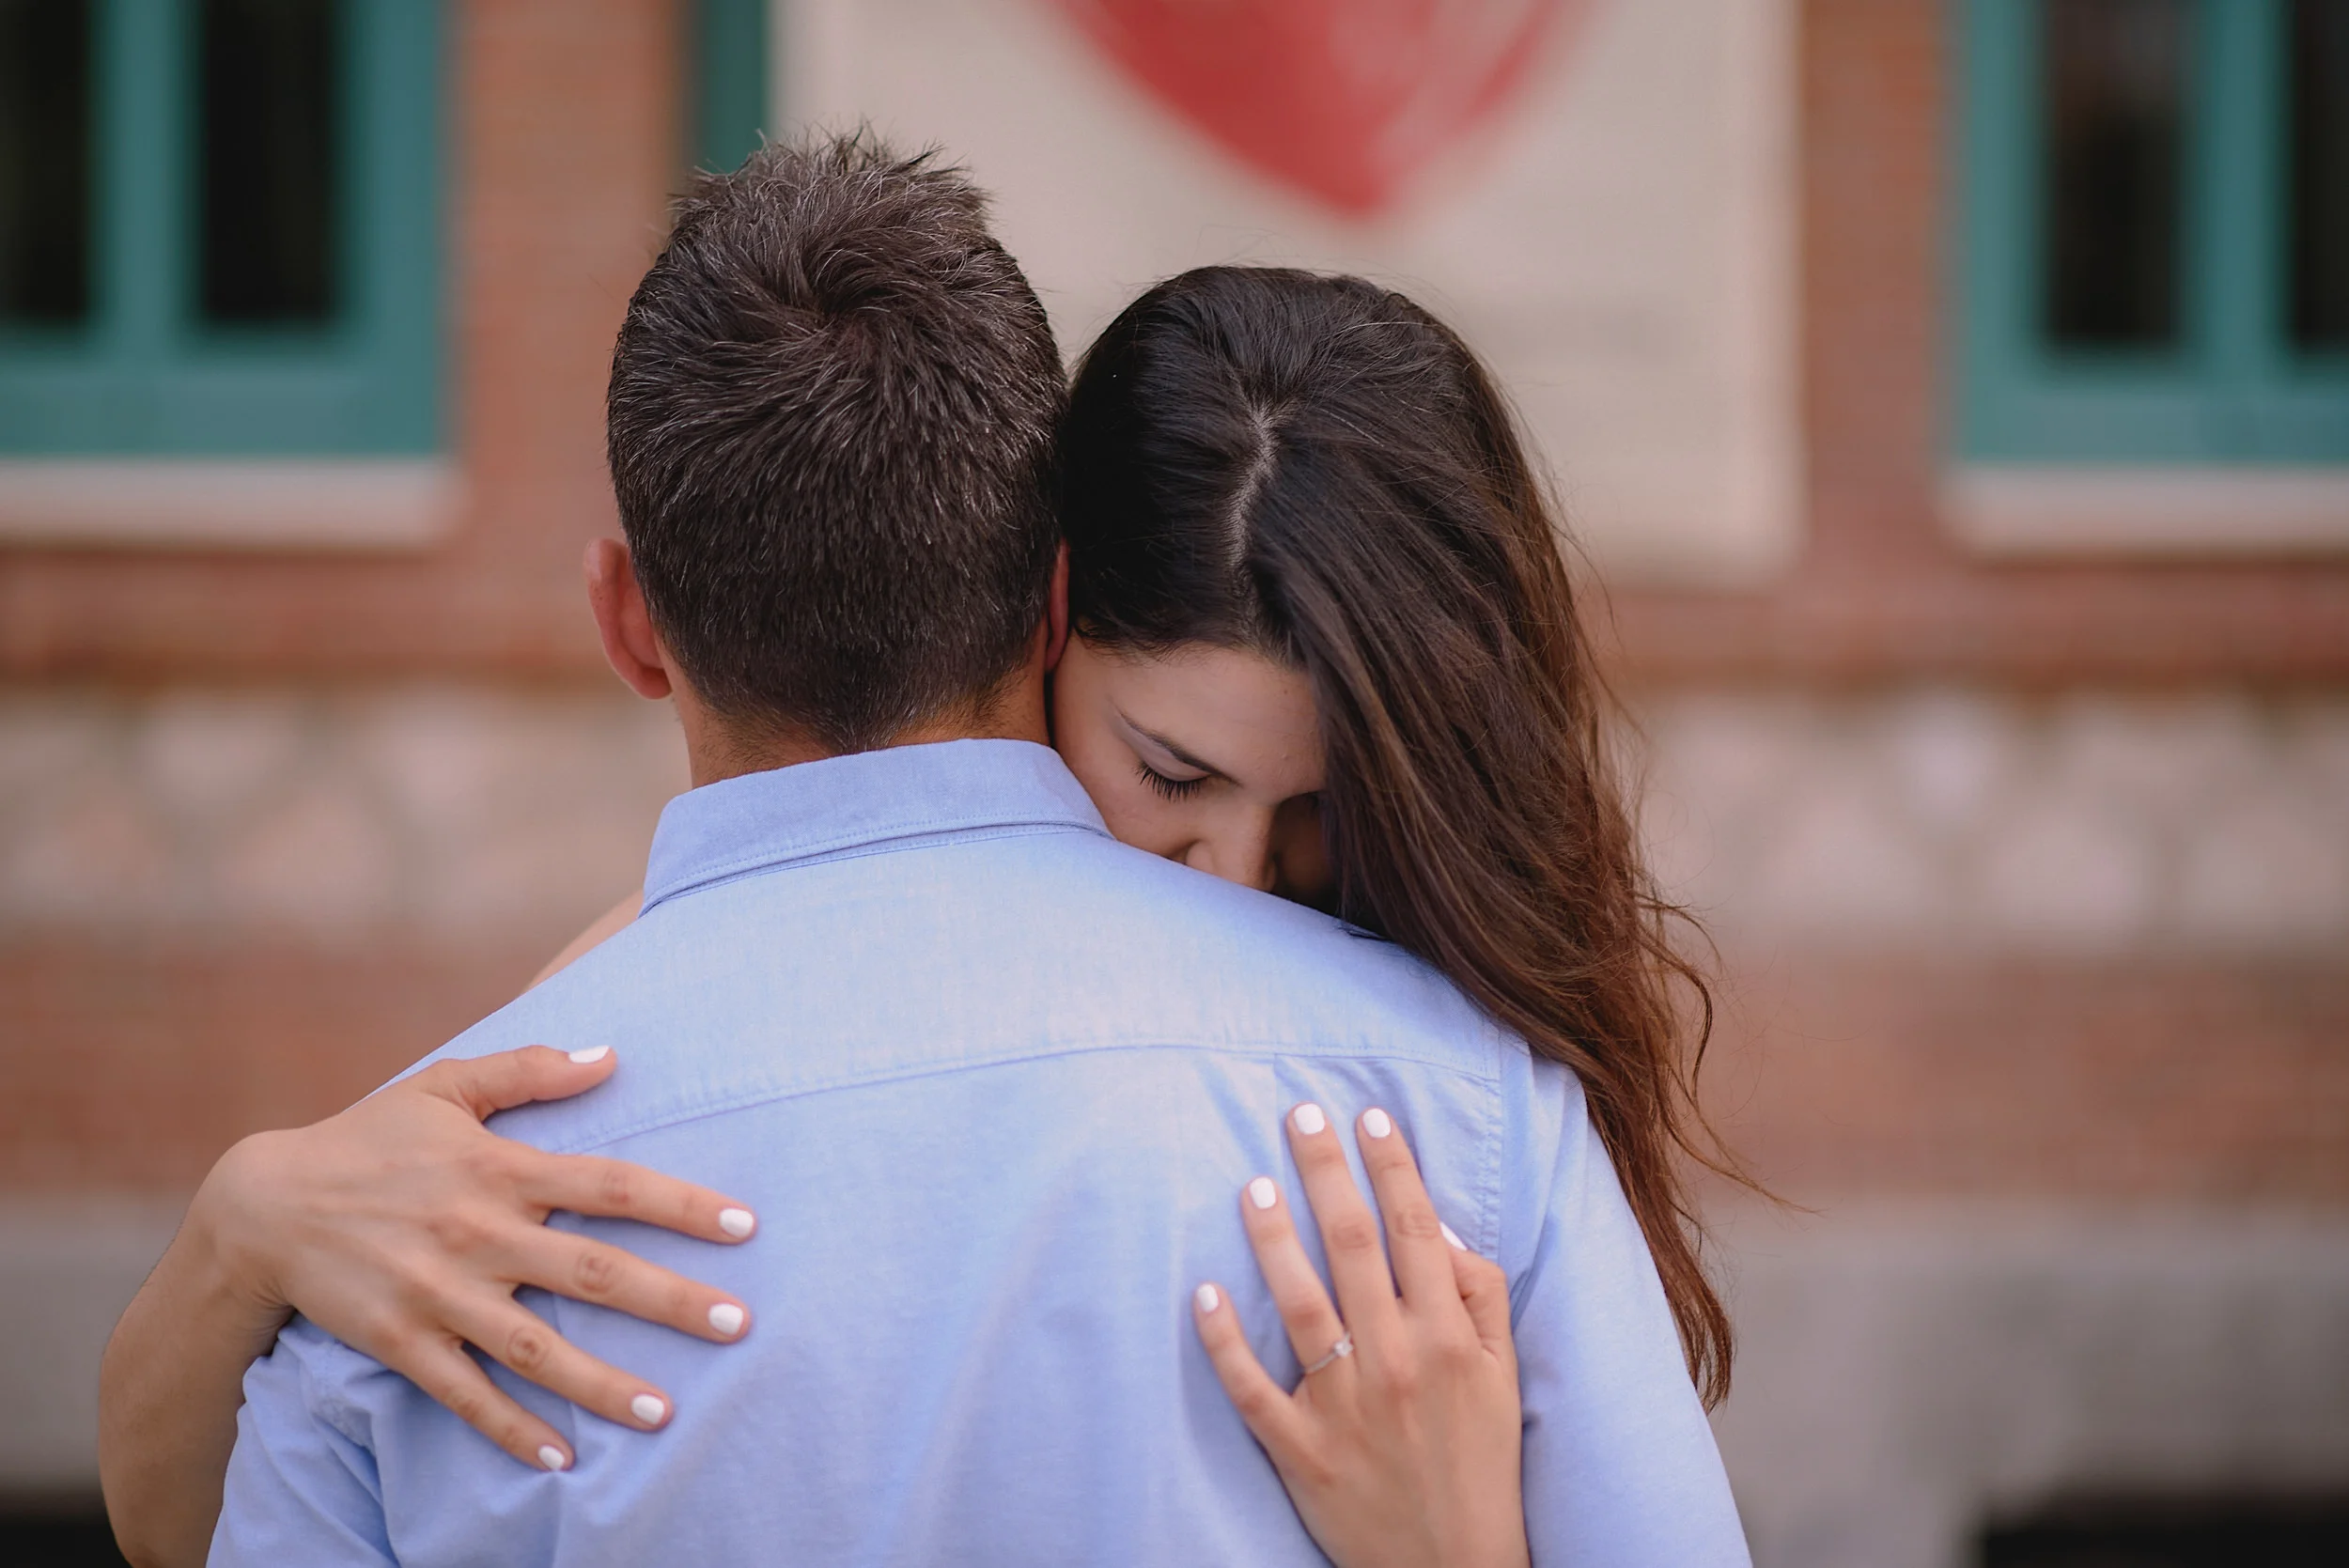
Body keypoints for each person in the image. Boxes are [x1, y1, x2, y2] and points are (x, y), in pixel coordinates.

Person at [109, 137, 1748, 1566]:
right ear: (1053, 606)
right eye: (1174, 775)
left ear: (627, 622)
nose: (1232, 882)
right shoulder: (1459, 1115)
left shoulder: (432, 1218)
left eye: (1310, 823)